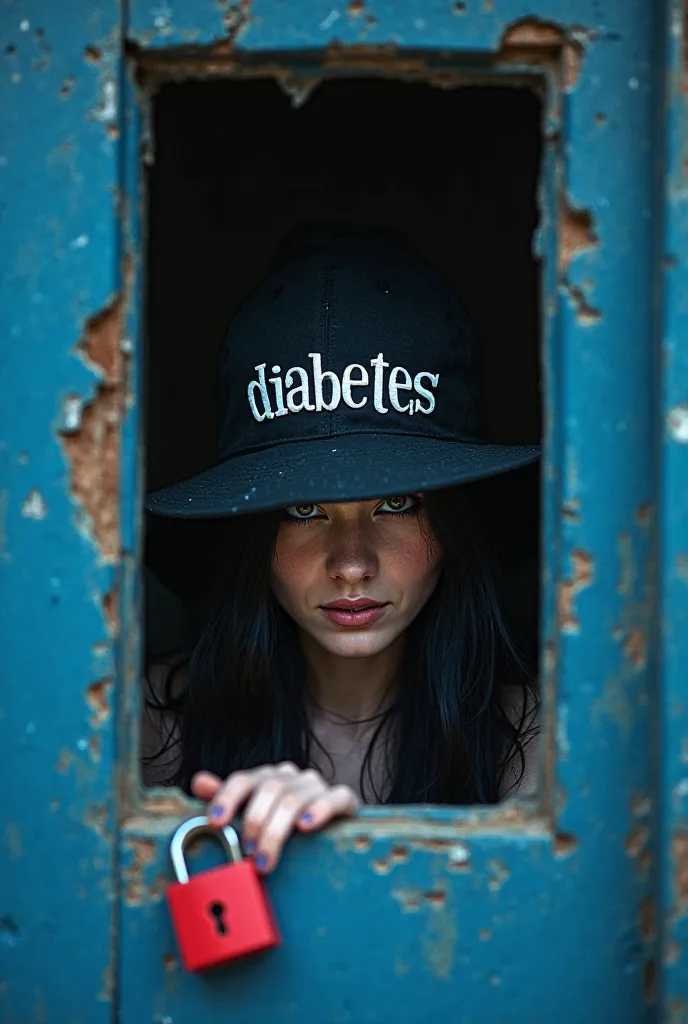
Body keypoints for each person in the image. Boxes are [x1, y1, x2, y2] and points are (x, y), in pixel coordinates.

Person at [143, 224, 540, 875]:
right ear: (250, 535)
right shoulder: (152, 733)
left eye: (397, 503)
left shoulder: (534, 748)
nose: (352, 562)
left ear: (457, 524)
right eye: (304, 511)